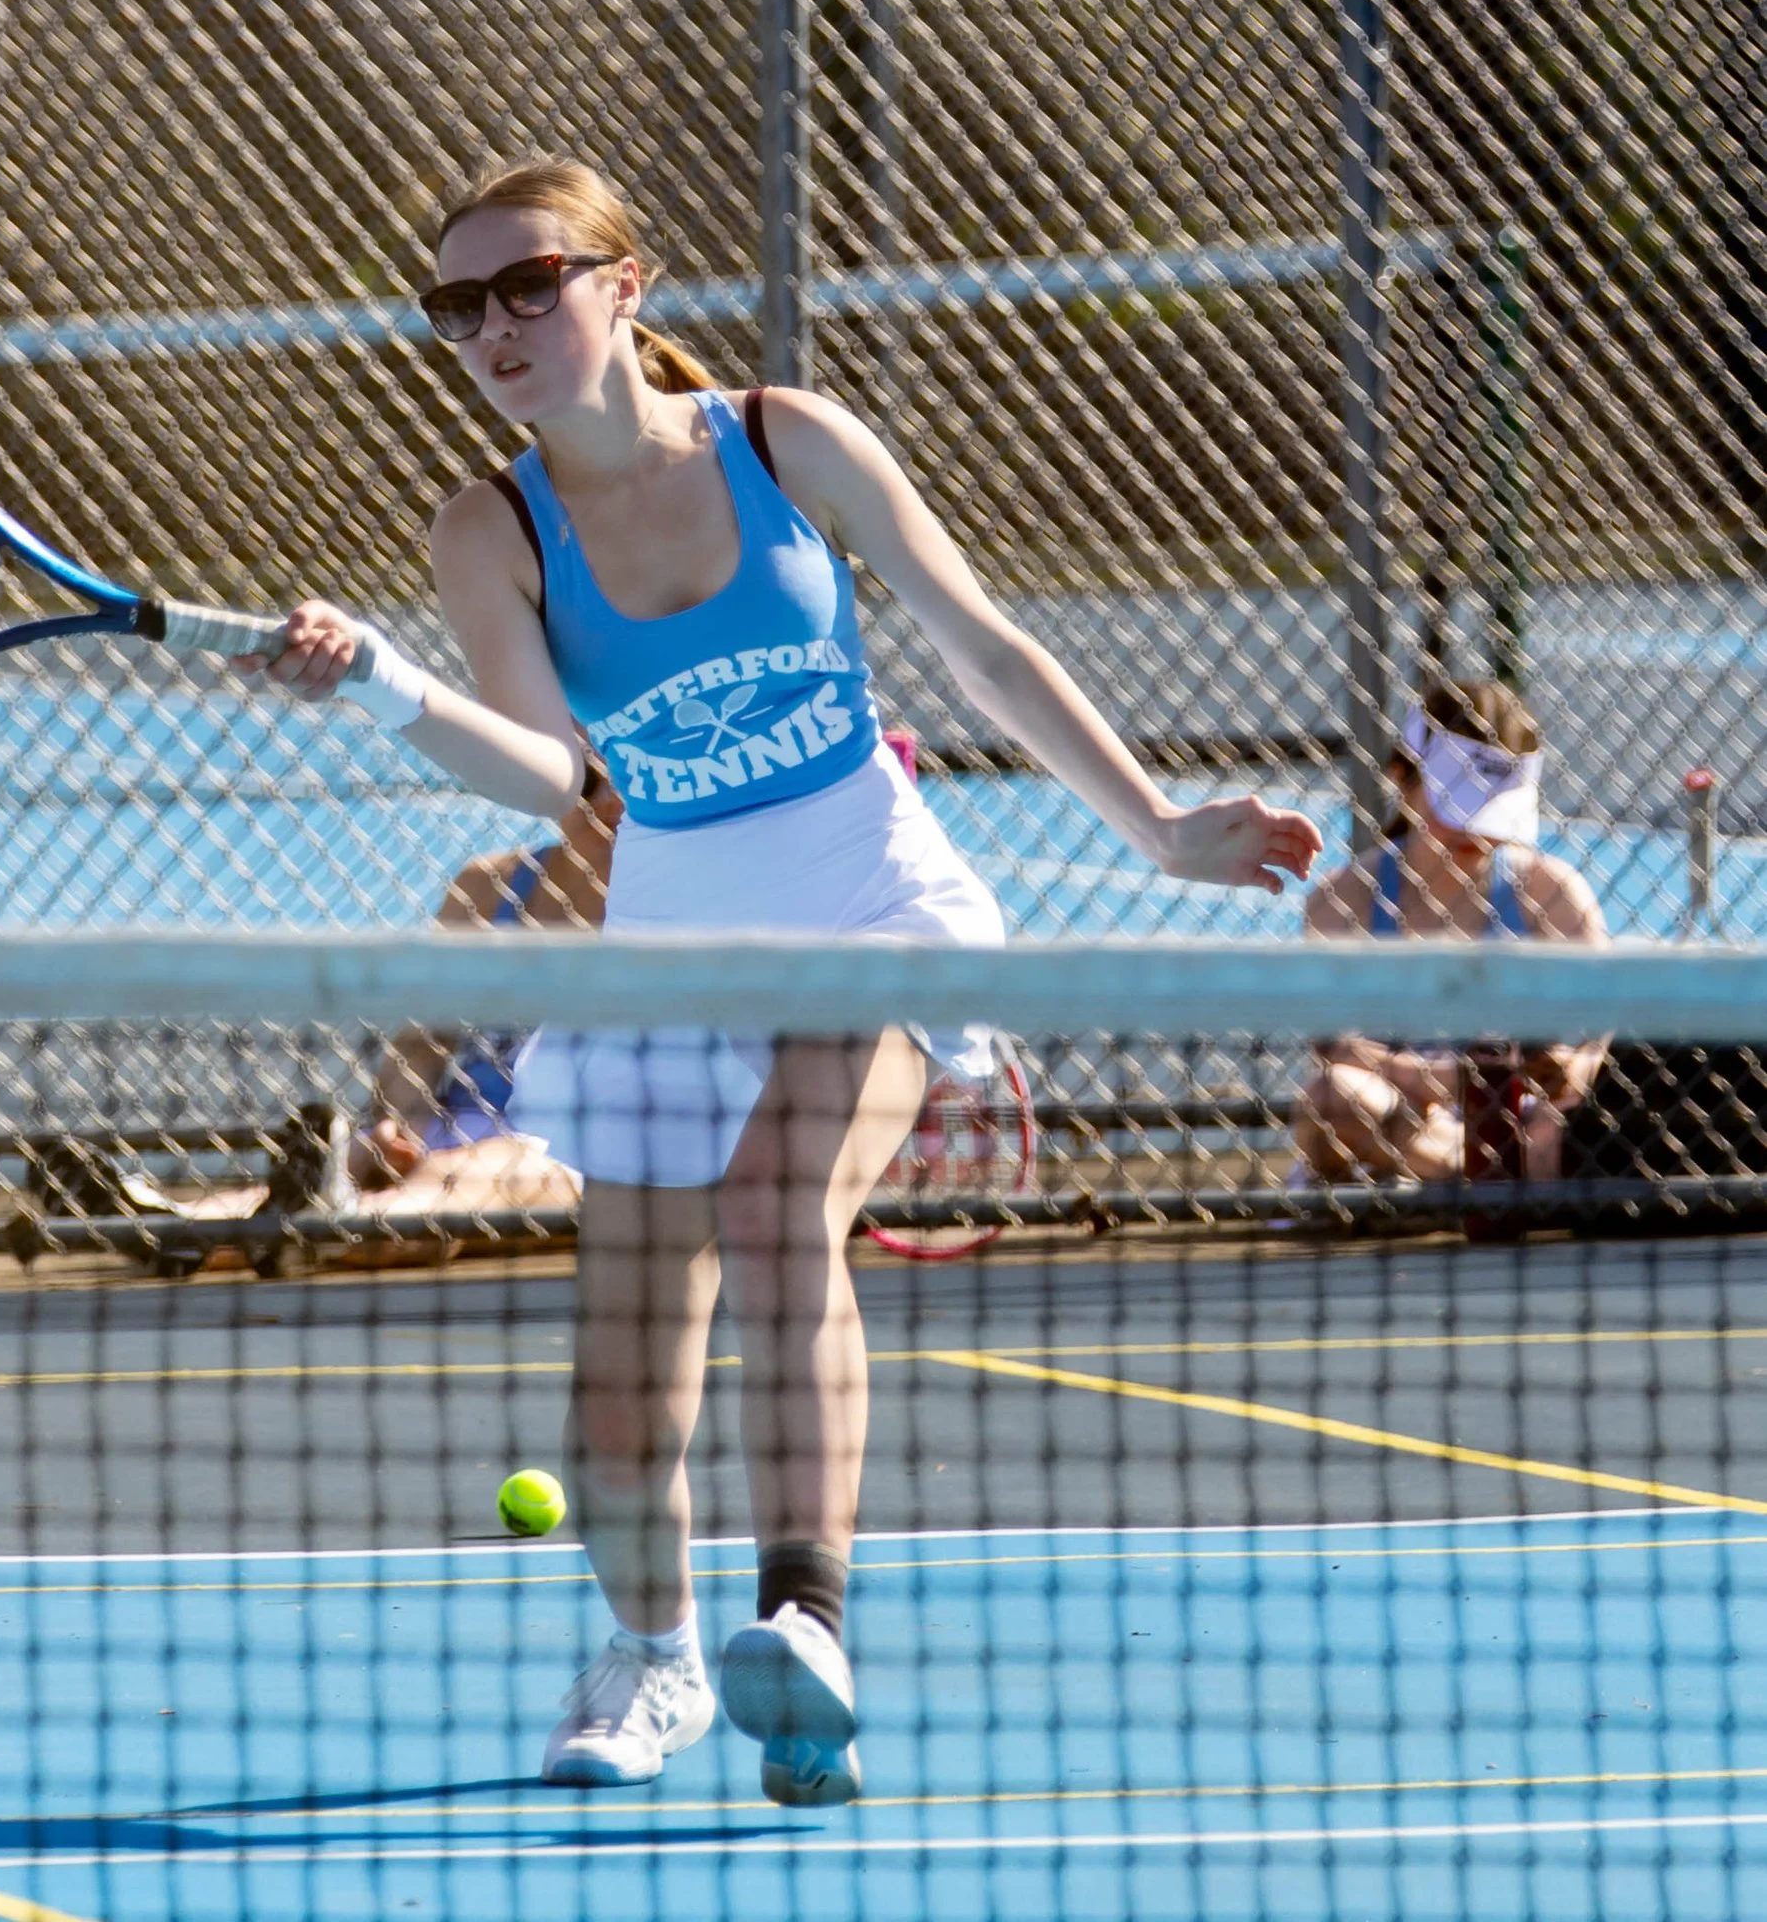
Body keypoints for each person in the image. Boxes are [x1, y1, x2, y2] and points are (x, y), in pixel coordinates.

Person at [240, 157, 1318, 1806]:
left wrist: (1163, 829)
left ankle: (802, 1616)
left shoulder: (783, 439)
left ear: (629, 282)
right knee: (617, 1422)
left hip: (871, 891)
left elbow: (977, 637)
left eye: (530, 283)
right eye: (461, 305)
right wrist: (380, 682)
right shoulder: (489, 527)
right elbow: (550, 776)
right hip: (670, 935)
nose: (495, 327)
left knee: (778, 1203)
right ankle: (656, 1655)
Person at [1296, 679, 1607, 1183]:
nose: (1475, 830)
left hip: (1524, 1121)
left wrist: (1574, 1068)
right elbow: (1333, 1045)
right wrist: (1447, 1081)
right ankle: (1494, 1177)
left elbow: (1603, 1024)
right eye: (1457, 806)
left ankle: (1487, 1175)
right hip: (1407, 1117)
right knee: (1333, 1100)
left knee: (1587, 1124)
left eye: (1490, 811)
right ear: (1402, 780)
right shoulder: (1343, 898)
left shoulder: (1551, 890)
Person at [343, 761, 625, 1216]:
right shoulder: (489, 884)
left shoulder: (680, 905)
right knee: (348, 1166)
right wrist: (401, 1125)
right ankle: (206, 1230)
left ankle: (347, 1227)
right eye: (588, 782)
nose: (611, 800)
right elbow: (425, 1039)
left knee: (445, 1186)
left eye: (630, 775)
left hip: (575, 1145)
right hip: (456, 1125)